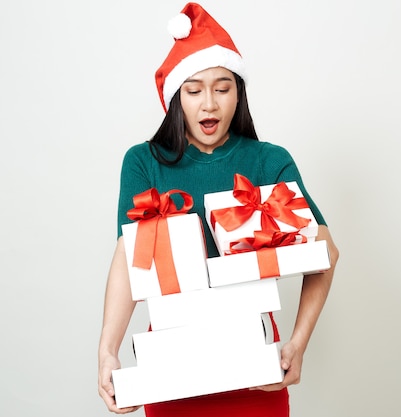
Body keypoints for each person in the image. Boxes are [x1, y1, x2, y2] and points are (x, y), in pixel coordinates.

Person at [97, 3, 339, 416]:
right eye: (194, 90)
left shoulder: (268, 160)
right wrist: (108, 351)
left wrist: (297, 345)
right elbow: (129, 256)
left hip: (254, 361)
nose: (209, 104)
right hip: (172, 360)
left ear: (238, 92)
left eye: (222, 88)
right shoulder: (143, 162)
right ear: (176, 97)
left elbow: (325, 251)